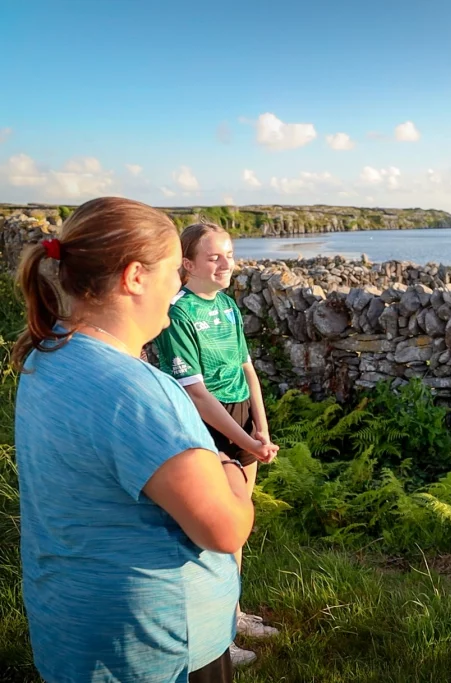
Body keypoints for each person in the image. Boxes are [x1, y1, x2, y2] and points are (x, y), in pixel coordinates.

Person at [14, 197, 254, 683]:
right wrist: (230, 471)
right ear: (135, 277)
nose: (178, 286)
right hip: (156, 647)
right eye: (172, 272)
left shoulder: (47, 355)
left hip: (76, 626)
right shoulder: (138, 391)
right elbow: (224, 530)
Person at [153, 221, 279, 667]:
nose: (227, 264)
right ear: (187, 264)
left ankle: (233, 613)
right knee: (210, 532)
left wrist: (260, 430)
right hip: (205, 421)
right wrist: (246, 438)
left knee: (236, 529)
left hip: (242, 417)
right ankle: (214, 640)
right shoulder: (178, 313)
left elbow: (248, 370)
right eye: (214, 256)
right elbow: (196, 392)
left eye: (229, 253)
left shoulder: (227, 305)